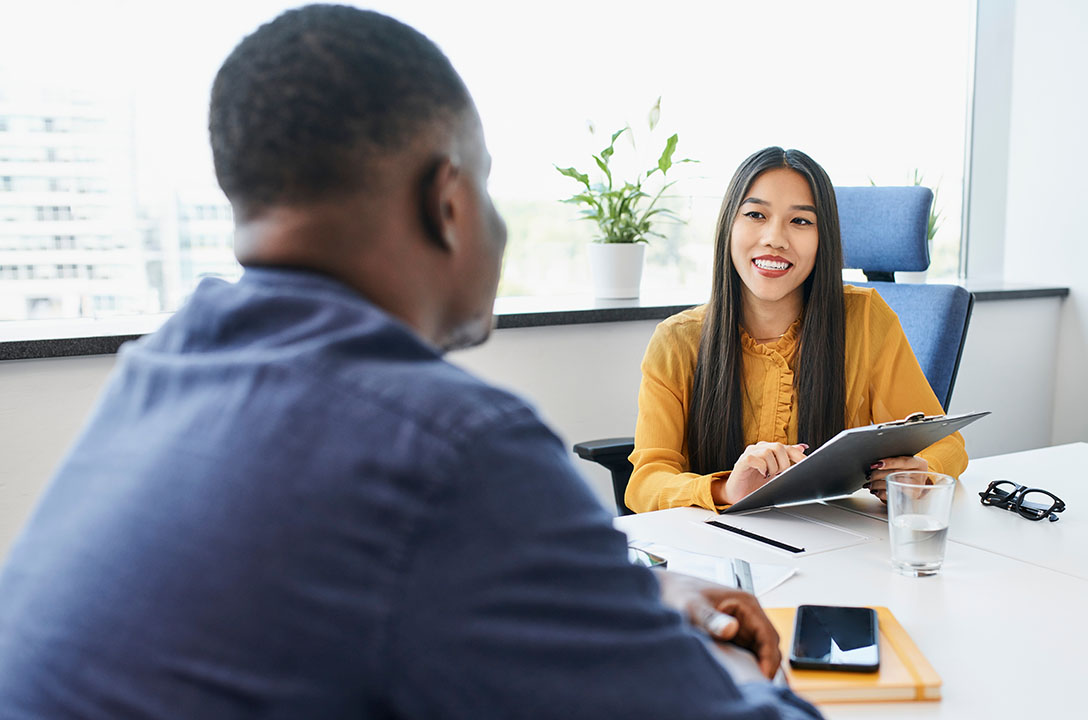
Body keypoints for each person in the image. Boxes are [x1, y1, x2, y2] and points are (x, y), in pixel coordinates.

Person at [0, 7, 821, 719]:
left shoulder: (163, 372)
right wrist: (714, 661)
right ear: (448, 201)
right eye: (491, 188)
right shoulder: (453, 447)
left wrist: (646, 596)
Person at [626, 147, 968, 513]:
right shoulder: (676, 341)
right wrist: (727, 489)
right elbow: (645, 482)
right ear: (728, 227)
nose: (775, 238)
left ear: (825, 238)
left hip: (839, 546)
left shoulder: (865, 318)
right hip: (718, 551)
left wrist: (922, 473)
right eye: (756, 214)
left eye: (801, 221)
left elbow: (949, 445)